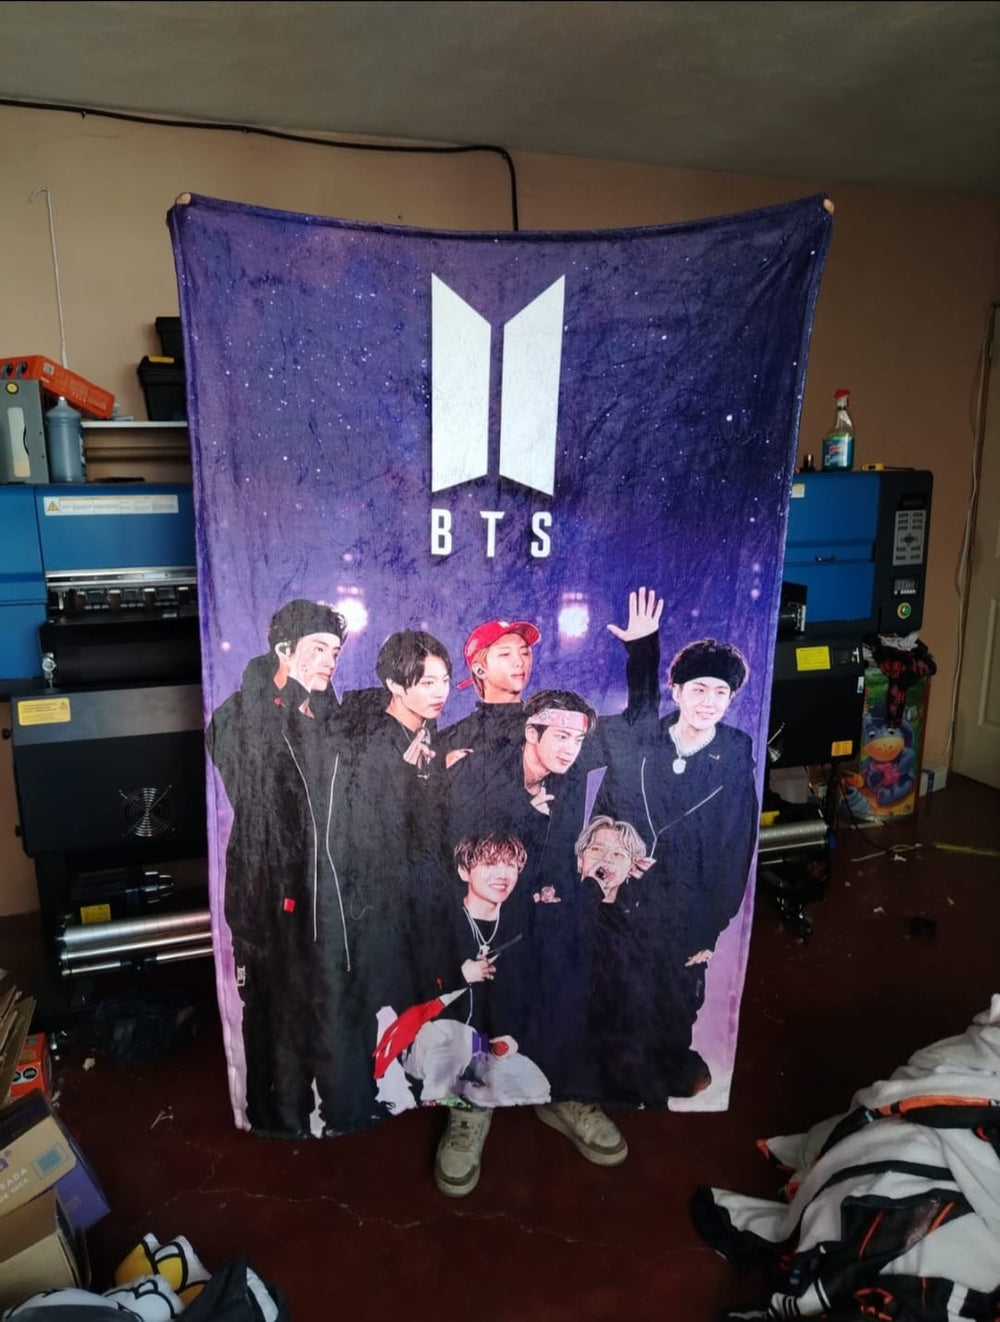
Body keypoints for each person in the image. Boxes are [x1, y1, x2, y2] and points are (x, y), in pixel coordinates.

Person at [438, 689, 629, 1195]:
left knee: (575, 959)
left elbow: (637, 723)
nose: (570, 748)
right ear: (530, 732)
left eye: (577, 739)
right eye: (560, 736)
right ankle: (470, 1104)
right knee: (479, 981)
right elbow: (459, 857)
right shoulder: (477, 770)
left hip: (541, 906)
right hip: (478, 908)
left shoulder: (567, 771)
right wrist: (528, 813)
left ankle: (562, 1089)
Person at [207, 599, 375, 1137]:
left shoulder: (330, 718)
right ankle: (277, 1119)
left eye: (336, 651)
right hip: (268, 901)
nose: (330, 661)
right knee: (273, 1020)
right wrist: (284, 703)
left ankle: (339, 1114)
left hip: (329, 899)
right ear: (284, 649)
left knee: (330, 1009)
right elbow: (250, 787)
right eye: (318, 648)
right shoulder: (239, 716)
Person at [593, 637, 759, 1099]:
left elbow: (736, 849)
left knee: (677, 995)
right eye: (699, 689)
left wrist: (709, 928)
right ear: (677, 690)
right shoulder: (644, 740)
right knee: (618, 991)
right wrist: (611, 869)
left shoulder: (734, 756)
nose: (709, 702)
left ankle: (663, 1072)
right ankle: (616, 1077)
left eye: (720, 693)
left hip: (689, 907)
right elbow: (606, 813)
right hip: (627, 898)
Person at [574, 816, 656, 1102]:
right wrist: (592, 889)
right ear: (580, 860)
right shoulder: (558, 910)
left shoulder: (636, 925)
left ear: (632, 868)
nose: (606, 859)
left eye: (618, 854)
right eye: (597, 849)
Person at [438, 618, 540, 757]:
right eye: (505, 654)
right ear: (480, 670)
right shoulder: (451, 741)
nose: (520, 661)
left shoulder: (544, 732)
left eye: (525, 653)